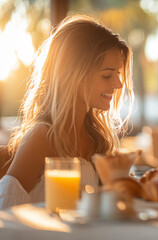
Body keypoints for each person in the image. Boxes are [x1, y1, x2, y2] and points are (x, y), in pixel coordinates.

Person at [0, 14, 134, 209]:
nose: (118, 83)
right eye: (107, 75)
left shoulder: (97, 138)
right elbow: (6, 210)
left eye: (118, 74)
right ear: (72, 75)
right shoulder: (44, 136)